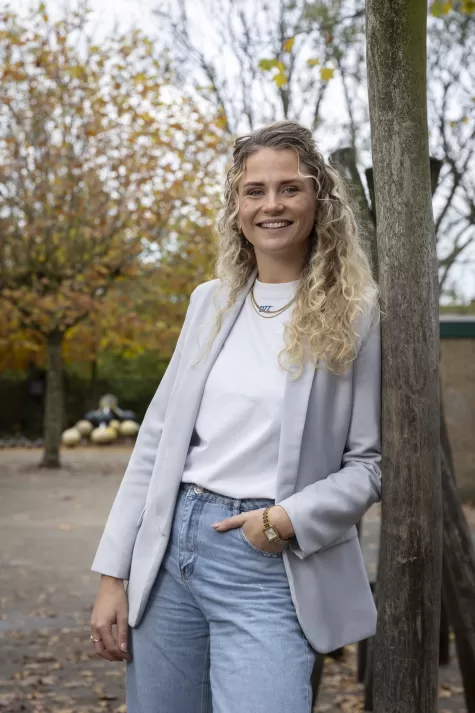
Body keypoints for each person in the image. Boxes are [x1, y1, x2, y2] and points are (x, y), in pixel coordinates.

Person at [90, 120, 382, 713]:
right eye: (254, 191)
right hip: (171, 550)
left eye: (289, 188)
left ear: (319, 199)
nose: (271, 204)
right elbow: (156, 444)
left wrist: (284, 521)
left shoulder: (359, 315)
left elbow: (370, 465)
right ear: (236, 206)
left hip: (268, 559)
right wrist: (112, 575)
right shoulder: (210, 301)